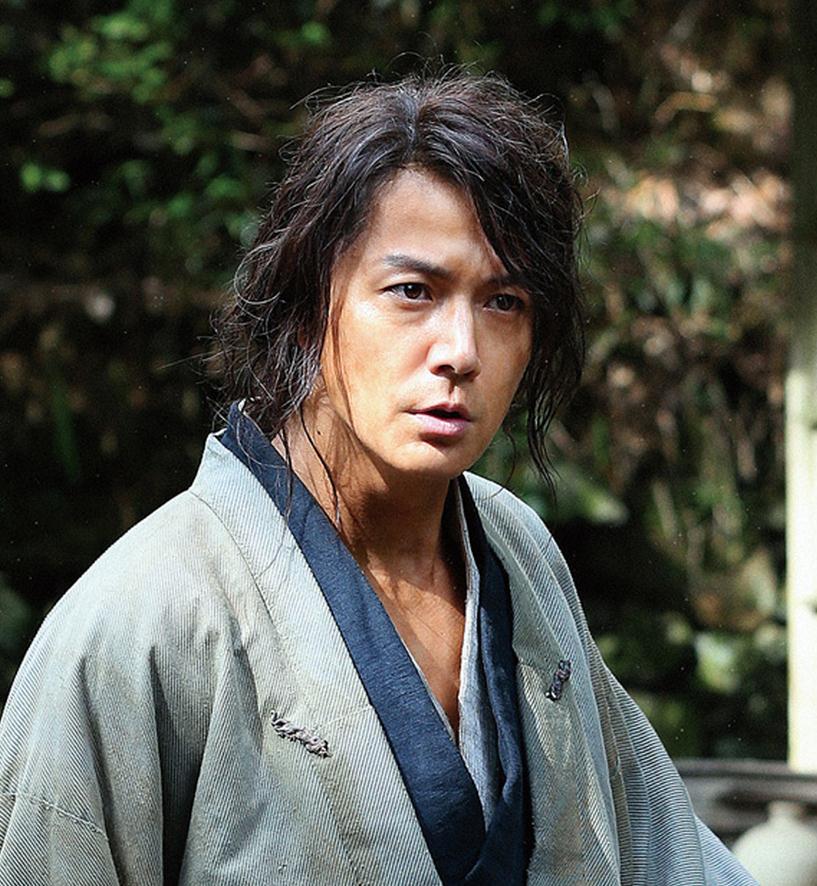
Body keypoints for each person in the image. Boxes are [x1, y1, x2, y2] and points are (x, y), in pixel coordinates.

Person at [0, 70, 753, 885]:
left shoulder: (519, 554)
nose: (460, 351)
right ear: (305, 308)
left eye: (503, 302)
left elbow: (660, 850)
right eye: (411, 292)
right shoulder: (145, 617)